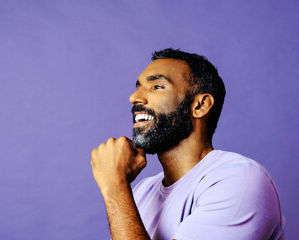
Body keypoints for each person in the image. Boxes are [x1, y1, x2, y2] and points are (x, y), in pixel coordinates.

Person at [91, 48, 285, 240]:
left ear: (199, 105)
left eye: (157, 87)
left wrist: (114, 184)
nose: (134, 98)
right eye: (138, 87)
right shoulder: (142, 193)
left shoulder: (241, 180)